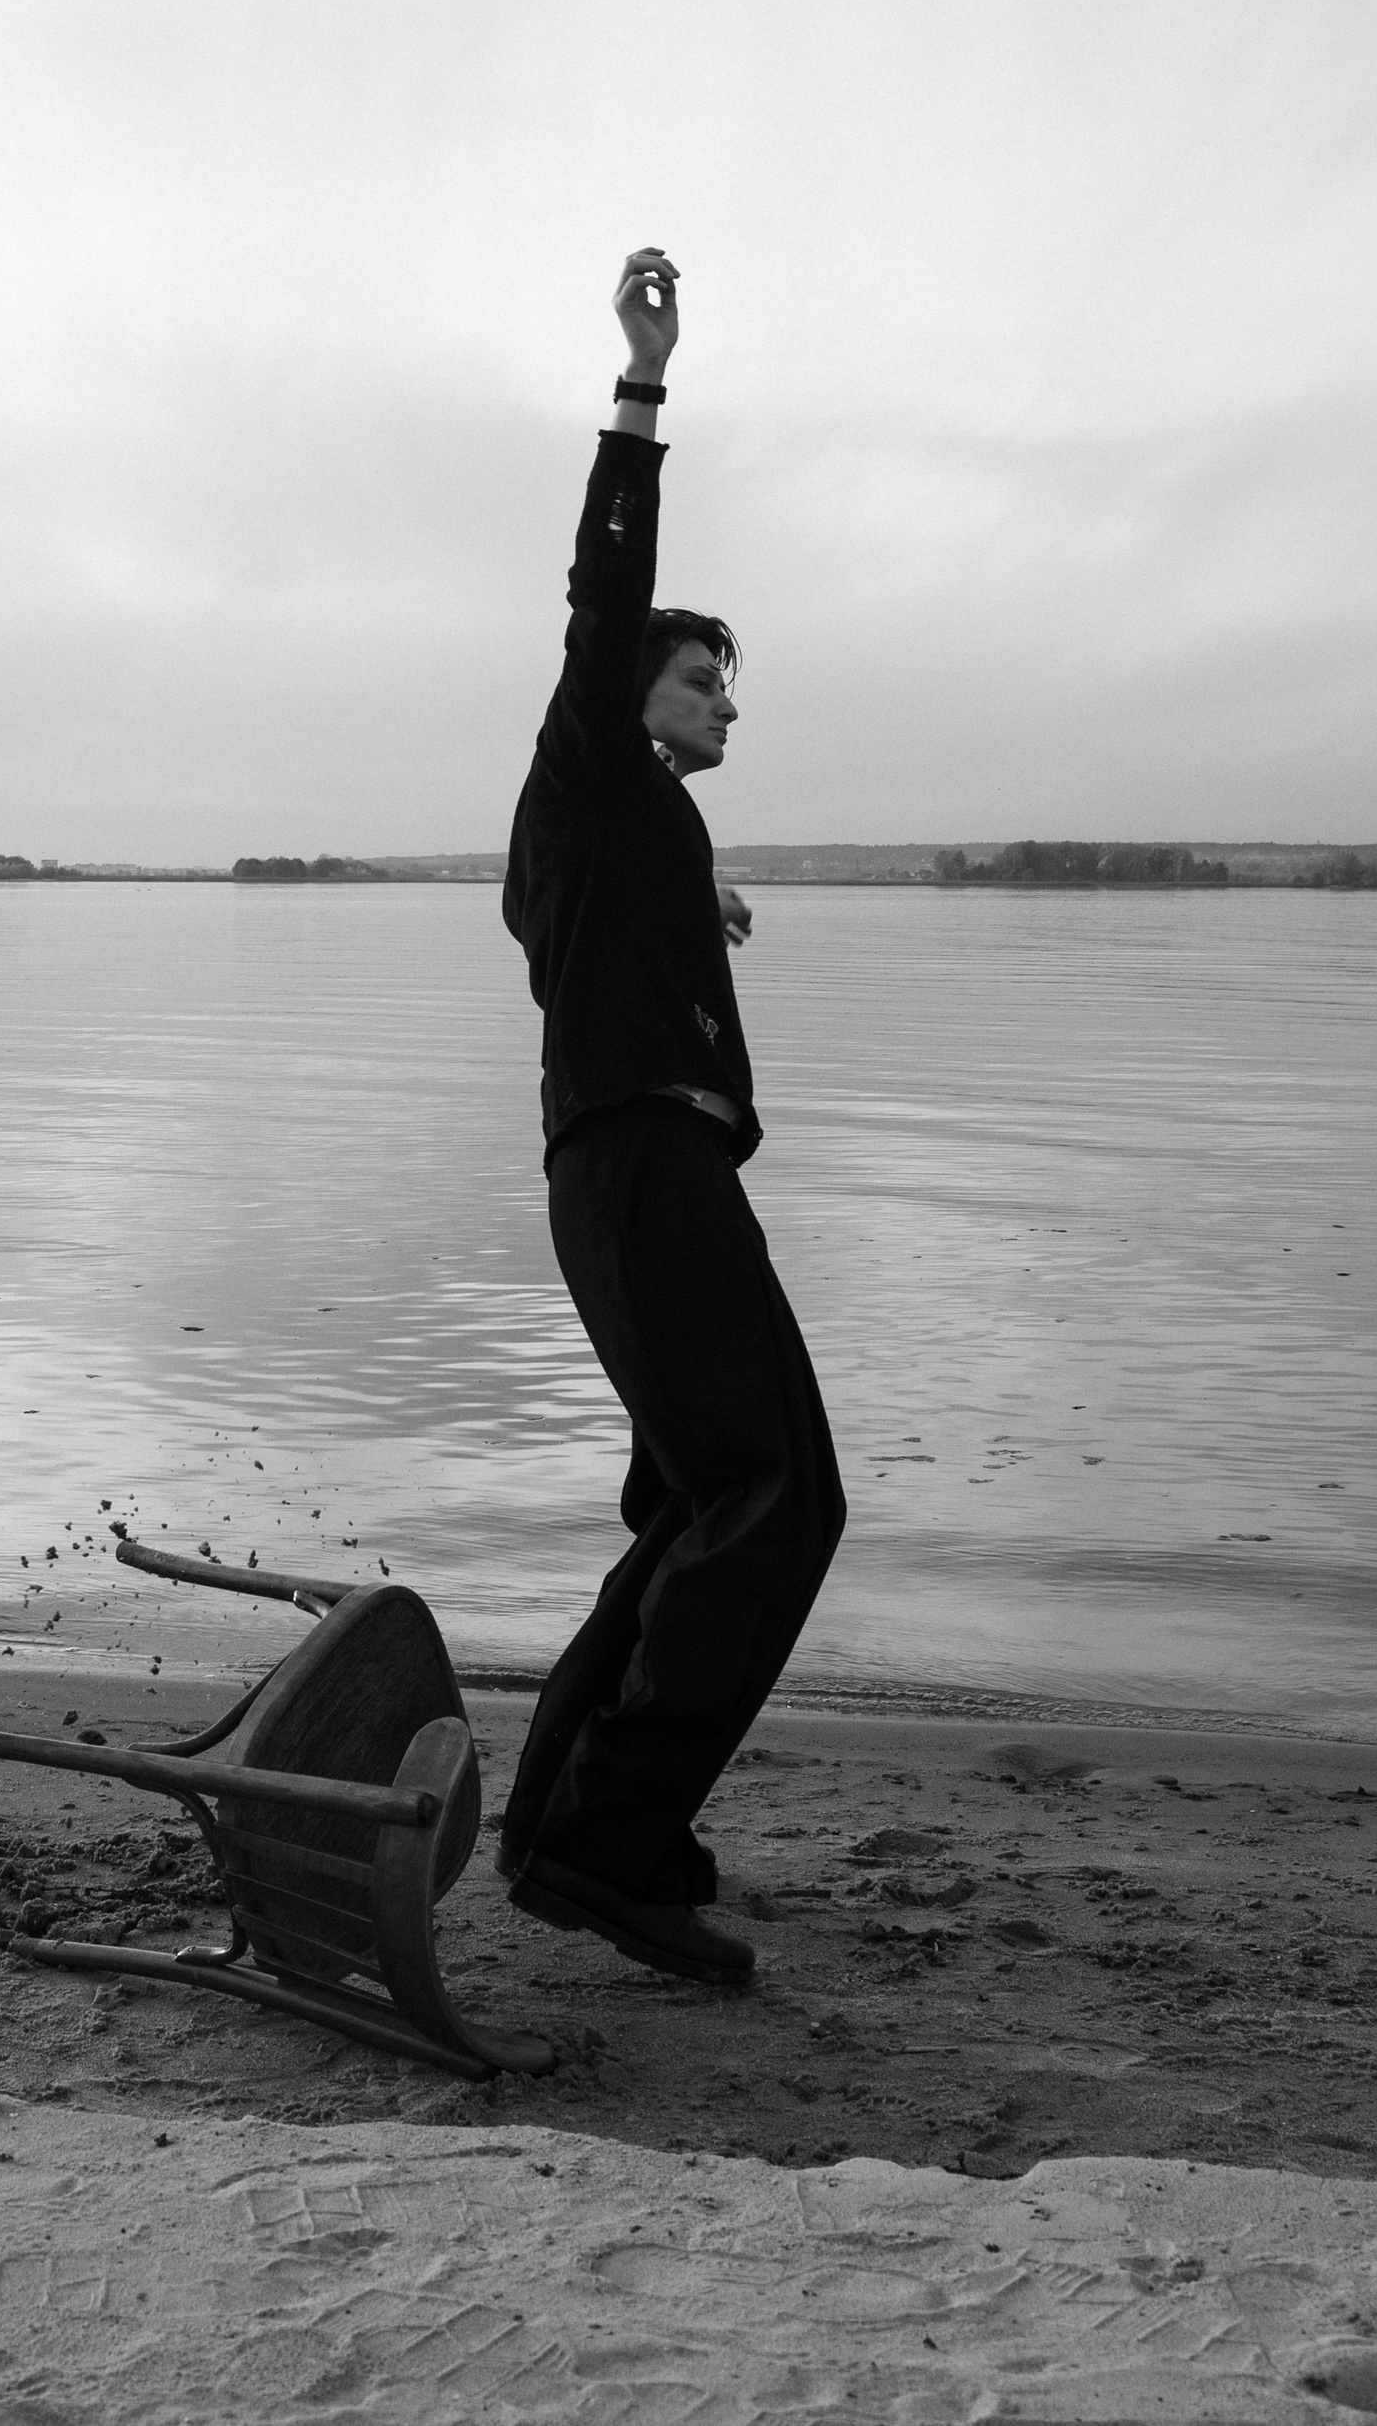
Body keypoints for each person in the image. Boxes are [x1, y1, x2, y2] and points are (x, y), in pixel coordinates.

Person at [498, 246, 847, 1987]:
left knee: (700, 1497)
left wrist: (677, 902)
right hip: (643, 1167)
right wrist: (643, 386)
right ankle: (606, 1838)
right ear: (630, 691)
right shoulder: (590, 751)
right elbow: (603, 592)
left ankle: (567, 1826)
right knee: (780, 1496)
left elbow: (556, 911)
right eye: (702, 678)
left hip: (640, 1169)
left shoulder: (623, 827)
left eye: (726, 682)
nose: (727, 702)